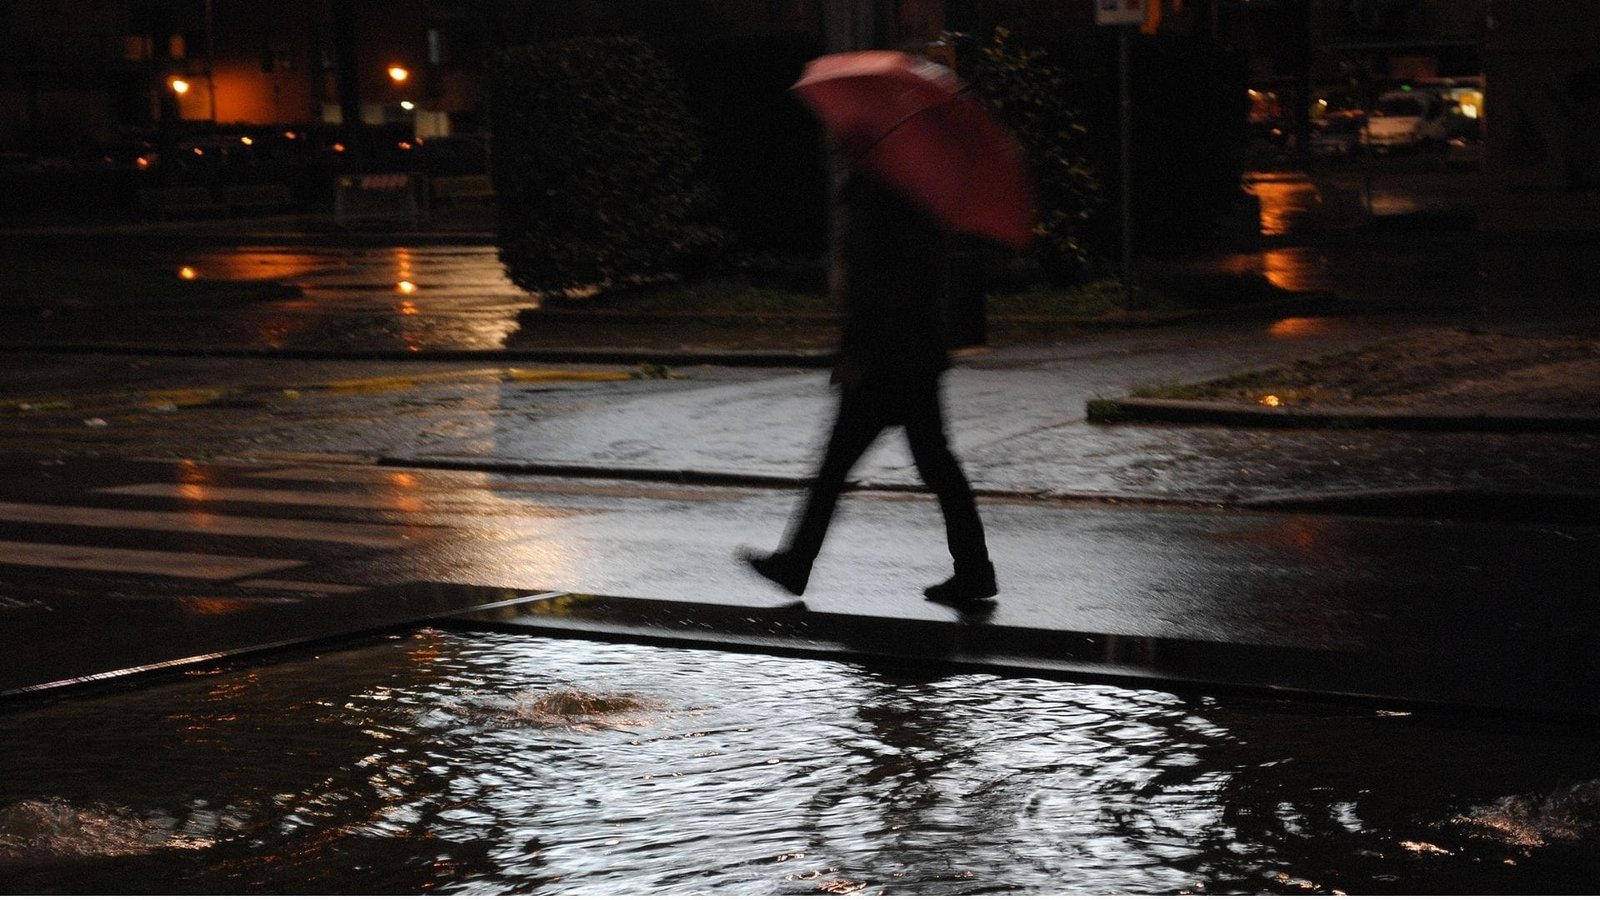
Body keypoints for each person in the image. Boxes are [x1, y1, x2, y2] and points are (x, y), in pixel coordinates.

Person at [742, 171, 996, 605]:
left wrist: (855, 353)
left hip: (884, 362)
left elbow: (877, 288)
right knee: (935, 466)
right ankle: (974, 570)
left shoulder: (879, 198)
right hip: (915, 356)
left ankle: (797, 563)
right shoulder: (917, 195)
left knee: (837, 468)